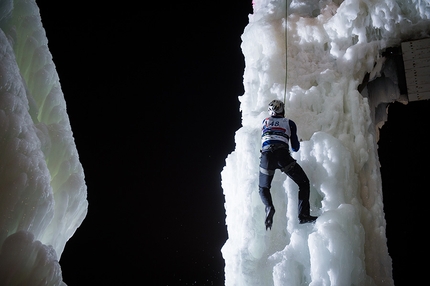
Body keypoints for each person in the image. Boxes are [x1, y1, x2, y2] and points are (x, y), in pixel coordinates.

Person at [259, 99, 317, 230]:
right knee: (303, 183)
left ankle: (269, 207)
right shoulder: (289, 123)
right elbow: (295, 148)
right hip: (282, 156)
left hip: (266, 157)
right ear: (283, 110)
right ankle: (303, 215)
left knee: (263, 188)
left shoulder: (264, 122)